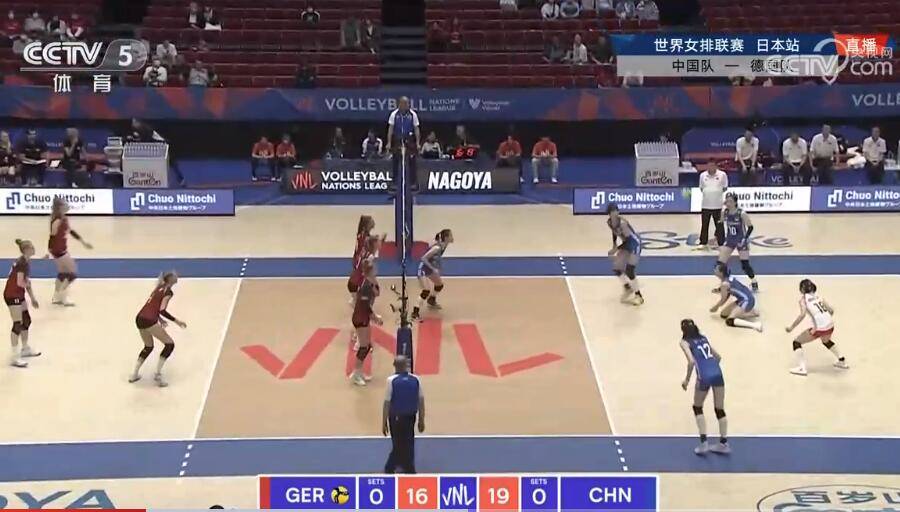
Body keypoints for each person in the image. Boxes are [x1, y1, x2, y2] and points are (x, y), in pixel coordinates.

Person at [679, 319, 729, 455]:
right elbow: (718, 357)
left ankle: (704, 443)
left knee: (697, 407)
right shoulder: (703, 338)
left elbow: (691, 362)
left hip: (704, 376)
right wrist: (711, 367)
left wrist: (686, 380)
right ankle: (723, 443)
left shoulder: (684, 342)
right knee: (719, 409)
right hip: (717, 372)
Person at [130, 271, 187, 387]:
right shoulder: (168, 292)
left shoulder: (159, 287)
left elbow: (152, 305)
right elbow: (162, 309)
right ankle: (157, 374)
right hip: (149, 320)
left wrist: (159, 319)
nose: (177, 276)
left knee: (148, 347)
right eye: (175, 275)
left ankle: (134, 374)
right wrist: (177, 321)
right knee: (169, 344)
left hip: (140, 318)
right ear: (171, 279)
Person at [785, 279, 849, 376]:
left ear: (801, 289)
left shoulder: (803, 300)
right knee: (826, 341)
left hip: (820, 328)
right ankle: (842, 360)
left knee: (797, 342)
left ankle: (802, 368)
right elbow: (831, 311)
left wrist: (791, 327)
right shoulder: (819, 297)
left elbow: (802, 315)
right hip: (830, 325)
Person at [382, 355, 424, 474]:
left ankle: (390, 468)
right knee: (409, 442)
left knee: (398, 444)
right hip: (410, 417)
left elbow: (387, 403)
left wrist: (384, 422)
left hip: (396, 418)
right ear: (406, 365)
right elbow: (421, 400)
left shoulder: (391, 380)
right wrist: (421, 419)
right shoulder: (416, 379)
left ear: (395, 366)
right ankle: (408, 467)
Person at [48, 197, 93, 306]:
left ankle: (56, 297)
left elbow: (71, 231)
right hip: (58, 249)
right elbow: (52, 236)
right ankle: (64, 297)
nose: (67, 206)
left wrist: (83, 242)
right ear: (60, 207)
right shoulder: (57, 220)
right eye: (65, 204)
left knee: (63, 273)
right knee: (72, 273)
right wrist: (49, 250)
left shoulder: (64, 218)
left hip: (59, 249)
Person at [5, 239, 40, 368]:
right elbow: (20, 282)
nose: (34, 248)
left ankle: (25, 348)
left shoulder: (25, 262)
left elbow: (25, 282)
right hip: (12, 294)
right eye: (31, 247)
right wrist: (28, 285)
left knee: (26, 320)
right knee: (17, 324)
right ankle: (14, 357)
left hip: (19, 294)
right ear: (26, 250)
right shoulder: (21, 263)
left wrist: (33, 298)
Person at [716, 192, 758, 292]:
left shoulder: (741, 213)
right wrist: (716, 237)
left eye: (730, 201)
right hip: (730, 240)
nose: (728, 203)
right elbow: (720, 222)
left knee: (745, 265)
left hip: (741, 240)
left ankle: (754, 281)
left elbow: (750, 227)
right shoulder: (725, 212)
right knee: (720, 264)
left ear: (735, 202)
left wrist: (745, 239)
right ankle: (724, 284)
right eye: (727, 201)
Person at [350, 260, 383, 386]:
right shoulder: (365, 287)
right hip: (360, 317)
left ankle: (359, 372)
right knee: (364, 347)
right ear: (371, 271)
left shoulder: (369, 283)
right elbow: (365, 306)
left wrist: (374, 280)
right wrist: (376, 318)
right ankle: (356, 374)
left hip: (364, 316)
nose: (377, 269)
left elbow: (377, 293)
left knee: (367, 346)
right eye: (375, 268)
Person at [606, 203, 644, 305]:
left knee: (629, 270)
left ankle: (639, 296)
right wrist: (614, 244)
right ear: (609, 213)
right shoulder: (609, 222)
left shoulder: (622, 223)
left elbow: (629, 241)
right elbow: (614, 232)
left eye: (616, 211)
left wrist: (616, 249)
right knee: (617, 268)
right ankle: (628, 287)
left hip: (635, 244)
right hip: (626, 244)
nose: (615, 213)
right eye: (613, 211)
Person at [412, 229, 453, 322]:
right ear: (446, 237)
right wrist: (433, 268)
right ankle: (415, 313)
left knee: (439, 285)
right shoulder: (437, 248)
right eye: (450, 235)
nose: (452, 237)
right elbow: (423, 258)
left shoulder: (444, 245)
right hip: (423, 268)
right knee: (426, 290)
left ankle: (431, 300)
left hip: (429, 268)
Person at [711, 263, 763, 332]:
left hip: (747, 300)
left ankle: (755, 325)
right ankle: (751, 312)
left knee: (729, 320)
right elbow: (730, 289)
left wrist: (716, 307)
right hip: (744, 298)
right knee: (723, 314)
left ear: (721, 273)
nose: (714, 270)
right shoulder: (728, 278)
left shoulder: (725, 284)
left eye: (716, 269)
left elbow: (724, 299)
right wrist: (719, 290)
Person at [386, 96, 421, 190]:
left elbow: (416, 129)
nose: (405, 105)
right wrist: (389, 142)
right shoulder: (394, 114)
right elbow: (390, 129)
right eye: (403, 103)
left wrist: (418, 143)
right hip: (398, 139)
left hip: (409, 139)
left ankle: (413, 183)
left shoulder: (413, 115)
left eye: (407, 103)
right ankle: (395, 183)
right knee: (395, 160)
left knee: (412, 160)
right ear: (399, 104)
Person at [696, 162, 727, 251]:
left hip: (718, 205)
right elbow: (701, 188)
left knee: (719, 225)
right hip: (706, 205)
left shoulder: (722, 175)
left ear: (716, 166)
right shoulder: (703, 175)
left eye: (713, 165)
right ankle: (703, 242)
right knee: (704, 225)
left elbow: (725, 187)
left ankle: (721, 242)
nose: (711, 167)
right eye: (709, 166)